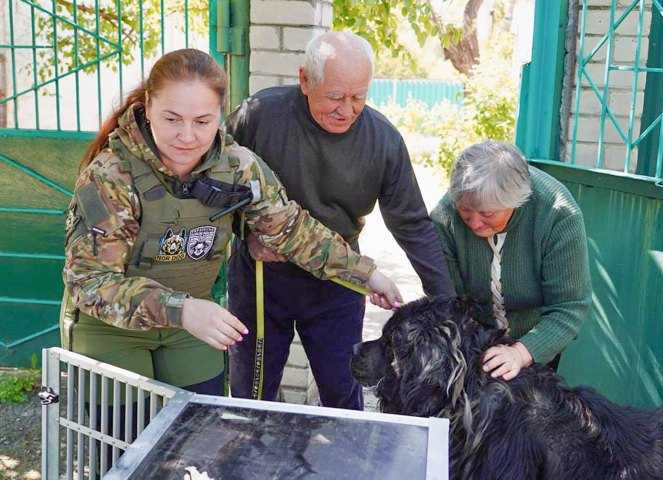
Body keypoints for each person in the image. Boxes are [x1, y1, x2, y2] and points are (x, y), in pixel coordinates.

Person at [60, 48, 402, 397]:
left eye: (203, 121)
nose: (188, 136)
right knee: (125, 442)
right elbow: (89, 282)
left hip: (190, 327)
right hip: (115, 327)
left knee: (199, 434)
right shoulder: (111, 175)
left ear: (220, 116)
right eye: (172, 119)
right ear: (148, 108)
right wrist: (181, 309)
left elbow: (293, 230)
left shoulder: (237, 167)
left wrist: (367, 274)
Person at [226, 31, 455, 409]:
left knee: (343, 390)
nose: (346, 110)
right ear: (304, 80)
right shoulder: (259, 116)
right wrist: (245, 233)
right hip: (263, 277)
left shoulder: (383, 140)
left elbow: (412, 224)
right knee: (253, 392)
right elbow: (217, 185)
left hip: (338, 279)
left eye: (358, 97)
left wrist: (446, 301)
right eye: (335, 97)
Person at [431, 140, 592, 381]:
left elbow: (569, 307)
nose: (475, 223)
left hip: (536, 342)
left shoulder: (558, 214)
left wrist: (521, 353)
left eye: (487, 214)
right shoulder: (445, 216)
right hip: (474, 340)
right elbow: (449, 301)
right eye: (466, 211)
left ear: (517, 202)